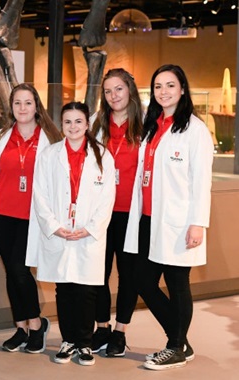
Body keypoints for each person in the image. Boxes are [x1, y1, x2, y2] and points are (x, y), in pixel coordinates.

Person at [123, 64, 213, 370]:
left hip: (179, 221)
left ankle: (175, 346)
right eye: (158, 86)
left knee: (177, 283)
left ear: (183, 89)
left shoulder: (195, 130)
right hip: (149, 218)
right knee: (143, 281)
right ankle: (180, 341)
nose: (164, 91)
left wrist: (198, 222)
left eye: (170, 85)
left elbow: (202, 180)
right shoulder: (153, 125)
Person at [30, 101, 115, 366]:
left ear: (87, 124)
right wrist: (55, 226)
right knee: (64, 288)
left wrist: (90, 228)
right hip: (61, 231)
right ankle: (68, 341)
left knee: (87, 289)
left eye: (78, 121)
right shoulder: (49, 155)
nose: (73, 127)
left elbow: (107, 198)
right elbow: (40, 194)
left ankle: (85, 343)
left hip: (88, 234)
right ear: (61, 124)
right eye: (67, 122)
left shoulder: (102, 155)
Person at [0, 83, 62, 353]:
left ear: (36, 106)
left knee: (21, 271)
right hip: (1, 214)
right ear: (12, 107)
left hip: (32, 216)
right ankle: (20, 327)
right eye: (17, 103)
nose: (22, 108)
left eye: (27, 103)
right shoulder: (1, 137)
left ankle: (36, 324)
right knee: (11, 272)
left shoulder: (51, 139)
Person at [89, 68, 143, 357]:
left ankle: (120, 331)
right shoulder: (98, 125)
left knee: (128, 275)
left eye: (119, 89)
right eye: (108, 91)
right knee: (99, 273)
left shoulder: (146, 127)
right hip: (102, 212)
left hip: (130, 213)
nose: (114, 96)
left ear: (130, 91)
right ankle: (102, 327)